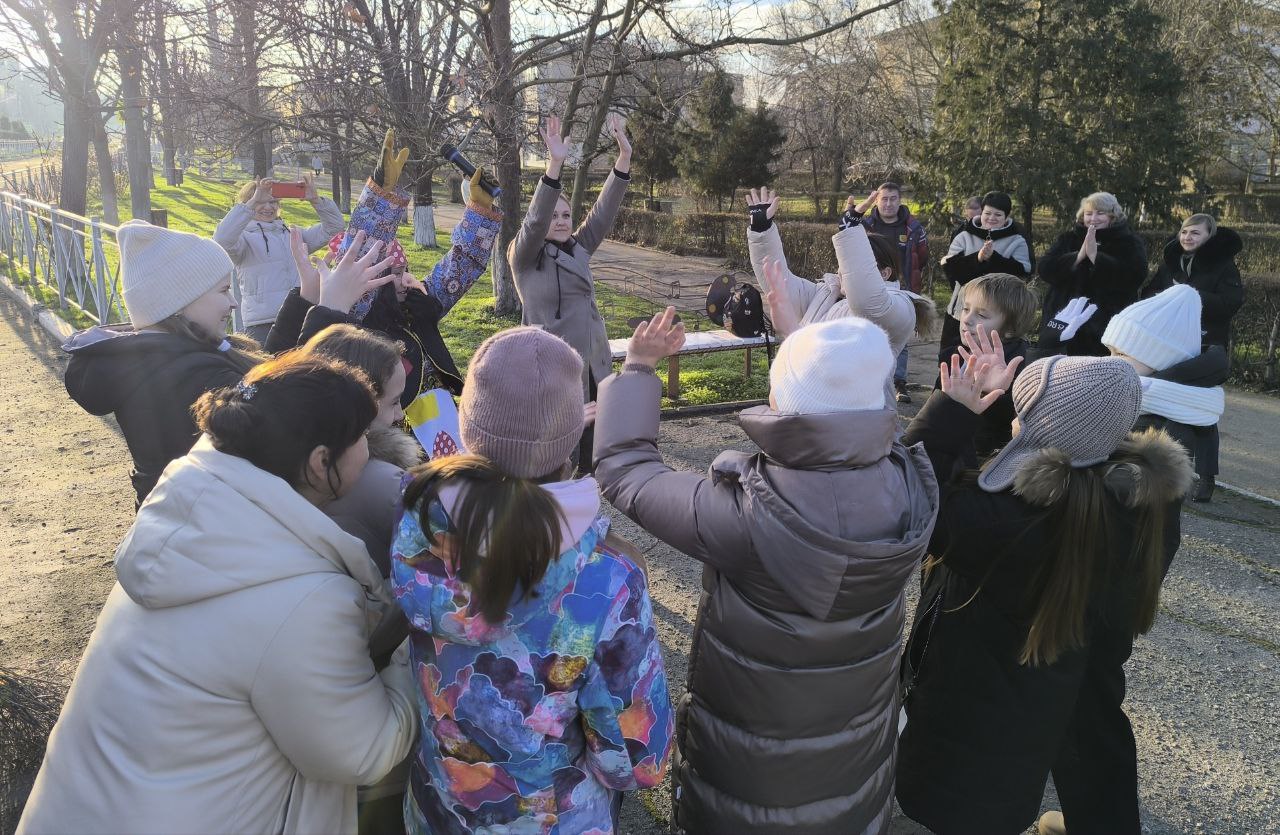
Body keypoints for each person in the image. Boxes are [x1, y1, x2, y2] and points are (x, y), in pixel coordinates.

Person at [18, 353, 418, 835]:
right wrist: (415, 650)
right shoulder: (302, 599)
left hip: (78, 812)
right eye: (361, 437)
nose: (369, 448)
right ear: (320, 462)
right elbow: (365, 750)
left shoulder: (184, 520)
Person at [594, 308, 938, 833]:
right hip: (853, 763)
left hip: (747, 776)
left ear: (786, 404)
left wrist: (638, 369)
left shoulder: (749, 515)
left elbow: (626, 471)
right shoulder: (910, 483)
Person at [894, 349, 1191, 835]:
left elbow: (915, 492)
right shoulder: (1142, 506)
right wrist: (994, 413)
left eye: (1023, 413)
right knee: (1092, 749)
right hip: (1074, 671)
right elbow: (1012, 475)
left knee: (980, 791)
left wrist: (954, 412)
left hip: (990, 700)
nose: (1013, 418)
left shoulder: (1004, 528)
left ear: (1041, 439)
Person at [391, 326, 672, 833]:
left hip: (440, 811)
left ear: (468, 425)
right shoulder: (603, 579)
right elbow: (635, 761)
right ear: (572, 435)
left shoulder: (417, 524)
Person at [62, 220, 264, 507]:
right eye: (223, 290)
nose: (232, 302)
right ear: (179, 302)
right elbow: (280, 418)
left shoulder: (151, 358)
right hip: (209, 523)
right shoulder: (197, 373)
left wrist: (304, 303)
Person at [267, 165, 501, 407]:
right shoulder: (356, 320)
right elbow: (364, 253)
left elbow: (459, 267)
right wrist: (379, 196)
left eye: (403, 272)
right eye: (391, 275)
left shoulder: (414, 305)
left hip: (440, 428)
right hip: (394, 433)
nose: (402, 281)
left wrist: (480, 213)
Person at [512, 113, 632, 471]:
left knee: (594, 456)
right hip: (554, 376)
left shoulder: (578, 249)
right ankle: (555, 517)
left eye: (566, 215)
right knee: (557, 457)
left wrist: (623, 158)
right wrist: (554, 164)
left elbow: (602, 214)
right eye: (556, 215)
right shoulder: (524, 258)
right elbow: (535, 221)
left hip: (595, 366)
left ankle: (586, 512)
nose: (562, 220)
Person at [746, 185, 931, 406]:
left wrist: (851, 232)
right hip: (808, 416)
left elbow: (866, 300)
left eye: (854, 263)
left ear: (884, 273)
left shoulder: (899, 306)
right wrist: (761, 230)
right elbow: (779, 281)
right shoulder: (825, 293)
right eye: (844, 262)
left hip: (860, 426)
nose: (844, 269)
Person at [1101, 285, 1228, 503]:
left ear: (1159, 359)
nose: (1110, 361)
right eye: (1109, 351)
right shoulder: (1140, 399)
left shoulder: (1164, 424)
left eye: (1121, 353)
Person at [214, 173, 346, 343]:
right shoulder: (242, 239)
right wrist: (252, 202)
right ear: (248, 204)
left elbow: (335, 228)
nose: (268, 207)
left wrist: (316, 200)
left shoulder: (292, 234)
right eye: (261, 202)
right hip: (263, 323)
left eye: (273, 201)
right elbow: (221, 240)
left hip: (300, 314)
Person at [845, 182, 930, 401]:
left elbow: (923, 257)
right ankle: (865, 383)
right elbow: (848, 243)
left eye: (893, 198)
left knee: (897, 338)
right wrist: (849, 216)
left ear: (900, 200)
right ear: (877, 201)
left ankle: (898, 383)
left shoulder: (913, 228)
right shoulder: (866, 224)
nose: (889, 203)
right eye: (884, 199)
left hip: (900, 288)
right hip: (871, 289)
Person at [1035, 191, 1147, 358]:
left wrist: (1097, 258)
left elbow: (1135, 276)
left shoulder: (1129, 242)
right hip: (1063, 317)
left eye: (1100, 213)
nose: (1093, 218)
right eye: (1089, 213)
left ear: (1112, 216)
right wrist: (1077, 257)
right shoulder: (1068, 239)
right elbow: (1045, 269)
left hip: (1106, 322)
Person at [944, 273, 1039, 458]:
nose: (967, 319)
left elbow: (1014, 421)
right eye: (965, 309)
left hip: (984, 458)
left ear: (1010, 328)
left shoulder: (1021, 365)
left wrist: (989, 393)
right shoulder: (955, 353)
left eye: (981, 315)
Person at [938, 191, 1032, 367]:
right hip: (962, 308)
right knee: (951, 356)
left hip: (995, 312)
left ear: (1006, 216)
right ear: (981, 212)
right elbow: (950, 267)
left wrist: (994, 258)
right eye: (987, 213)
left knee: (988, 358)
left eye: (998, 215)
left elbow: (1023, 271)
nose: (991, 218)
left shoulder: (1017, 240)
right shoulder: (964, 235)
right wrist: (977, 259)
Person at [1144, 213, 1244, 349]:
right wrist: (1168, 296)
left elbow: (1229, 304)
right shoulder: (1170, 262)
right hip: (1166, 338)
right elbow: (1148, 294)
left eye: (1195, 233)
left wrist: (1190, 295)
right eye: (1184, 232)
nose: (1187, 237)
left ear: (1209, 236)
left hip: (1204, 341)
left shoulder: (1224, 265)